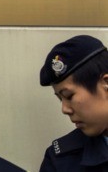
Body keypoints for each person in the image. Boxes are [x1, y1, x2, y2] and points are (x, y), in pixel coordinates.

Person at [39, 35, 108, 171]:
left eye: (69, 96)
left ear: (105, 83)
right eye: (60, 99)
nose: (64, 109)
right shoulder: (61, 161)